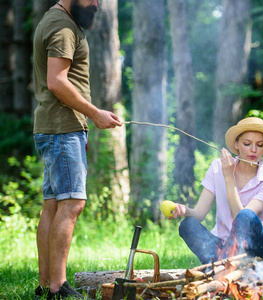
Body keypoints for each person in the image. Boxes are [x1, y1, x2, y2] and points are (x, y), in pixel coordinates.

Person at [32, 0, 122, 299]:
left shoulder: (58, 20)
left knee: (54, 205)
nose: (96, 3)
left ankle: (46, 284)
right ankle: (58, 287)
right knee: (72, 204)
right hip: (62, 128)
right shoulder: (62, 27)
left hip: (55, 127)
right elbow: (57, 82)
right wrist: (94, 113)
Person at [167, 117, 263, 266]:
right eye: (247, 144)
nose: (253, 149)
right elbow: (199, 214)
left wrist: (229, 177)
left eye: (259, 145)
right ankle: (219, 266)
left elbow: (242, 220)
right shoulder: (217, 167)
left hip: (257, 249)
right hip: (222, 245)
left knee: (246, 215)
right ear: (236, 145)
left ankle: (221, 265)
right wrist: (183, 210)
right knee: (187, 225)